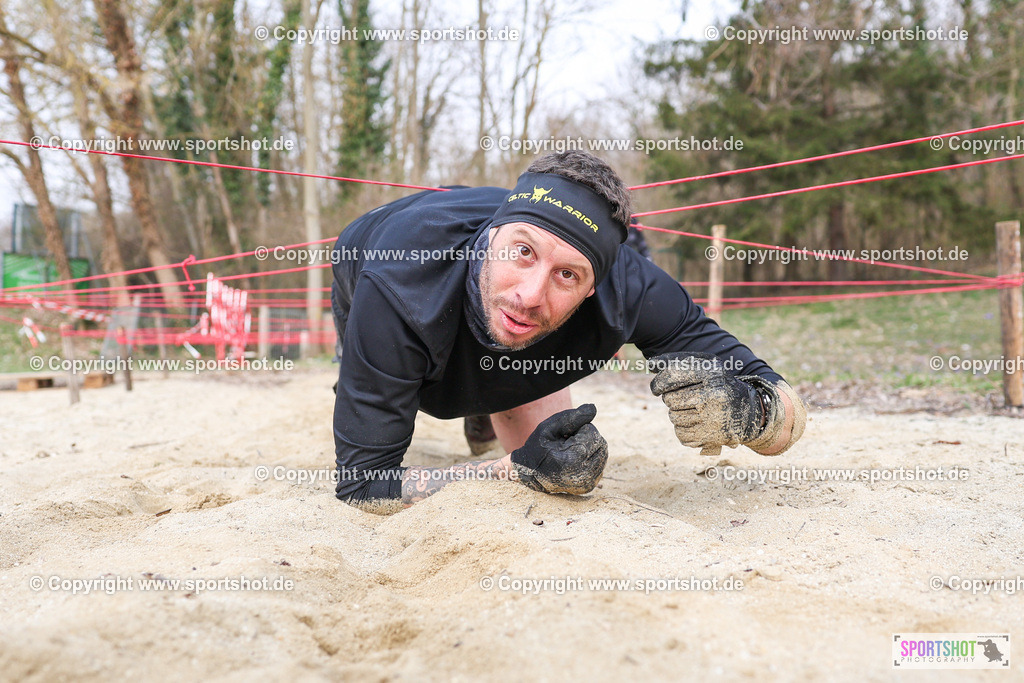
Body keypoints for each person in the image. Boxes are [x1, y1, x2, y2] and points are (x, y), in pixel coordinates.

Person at [330, 151, 806, 508]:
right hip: (369, 252)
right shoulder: (396, 285)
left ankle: (484, 402)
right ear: (492, 236)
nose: (531, 294)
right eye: (522, 252)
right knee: (388, 394)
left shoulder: (631, 287)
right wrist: (509, 470)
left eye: (567, 275)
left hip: (507, 333)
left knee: (556, 458)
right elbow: (361, 486)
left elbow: (787, 412)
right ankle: (464, 393)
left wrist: (750, 412)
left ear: (596, 285)